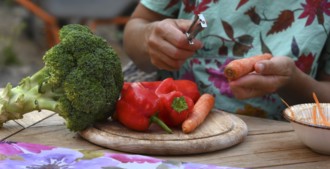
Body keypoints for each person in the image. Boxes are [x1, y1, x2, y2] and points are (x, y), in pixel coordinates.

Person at [123, 0, 330, 120]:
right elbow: (135, 29)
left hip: (284, 146)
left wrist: (293, 82)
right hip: (169, 128)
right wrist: (149, 37)